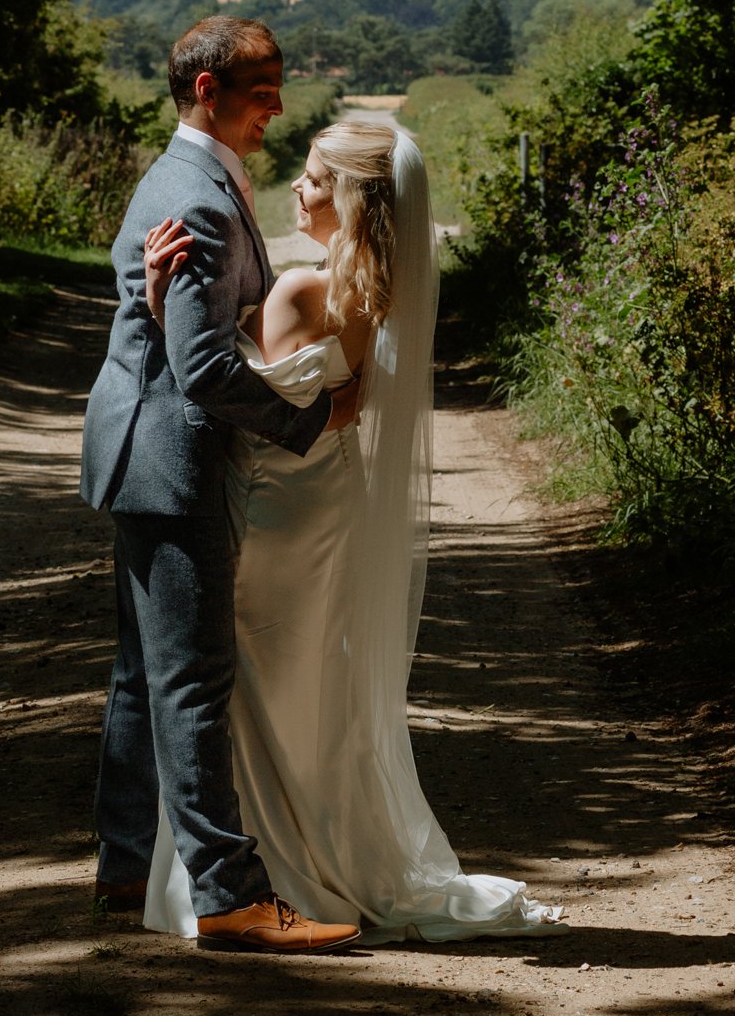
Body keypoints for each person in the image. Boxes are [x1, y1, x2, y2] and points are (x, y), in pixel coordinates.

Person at [140, 117, 561, 943]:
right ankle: (311, 854)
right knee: (304, 686)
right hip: (326, 496)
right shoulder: (373, 290)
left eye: (314, 179)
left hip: (276, 504)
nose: (296, 190)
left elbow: (225, 393)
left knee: (252, 689)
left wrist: (164, 304)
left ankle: (276, 873)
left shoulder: (301, 289)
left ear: (352, 198)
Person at [80, 16, 362, 954]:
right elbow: (202, 369)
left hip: (142, 450)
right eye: (262, 87)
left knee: (142, 675)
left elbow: (201, 330)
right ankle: (230, 898)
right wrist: (312, 418)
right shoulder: (195, 197)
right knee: (194, 678)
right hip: (172, 457)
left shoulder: (196, 182)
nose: (277, 103)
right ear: (208, 91)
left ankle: (126, 867)